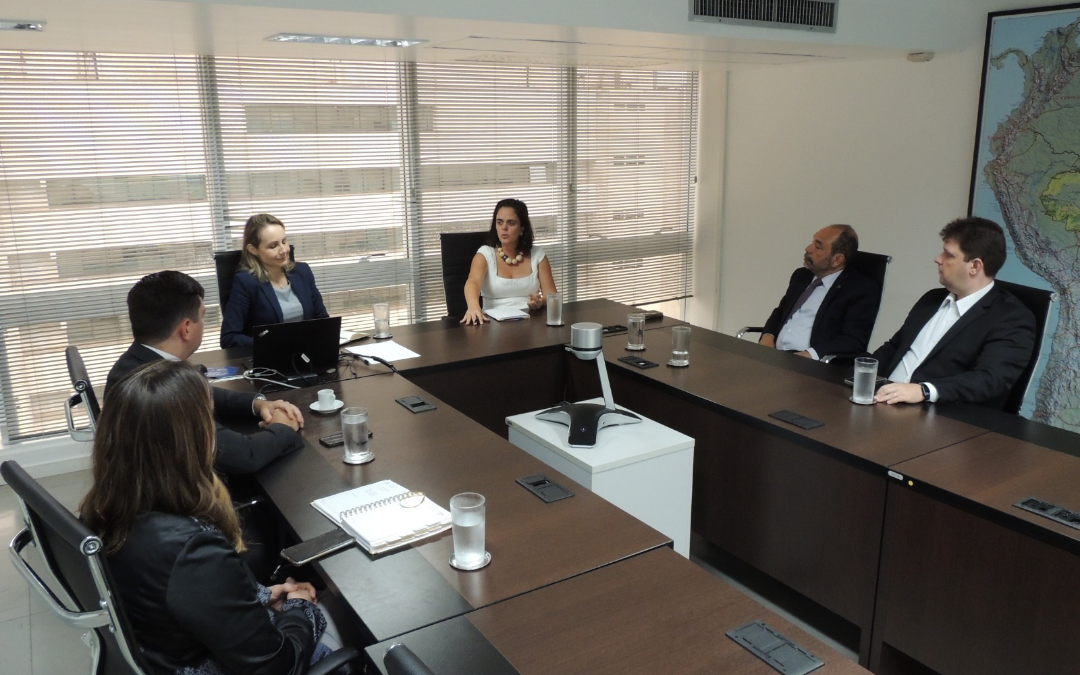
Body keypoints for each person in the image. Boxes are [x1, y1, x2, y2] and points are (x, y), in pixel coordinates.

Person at [81, 360, 332, 675]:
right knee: (351, 623)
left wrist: (261, 597)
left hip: (169, 650)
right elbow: (277, 667)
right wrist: (299, 608)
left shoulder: (105, 509)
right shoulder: (193, 551)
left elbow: (186, 600)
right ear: (194, 440)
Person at [105, 270, 304, 475]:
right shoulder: (161, 388)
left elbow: (203, 391)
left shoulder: (133, 363)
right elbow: (245, 455)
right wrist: (283, 428)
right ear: (187, 328)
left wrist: (257, 403)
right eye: (202, 316)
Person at [873, 217, 1036, 408]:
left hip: (935, 414)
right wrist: (857, 373)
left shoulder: (1012, 318)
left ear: (975, 266)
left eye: (948, 255)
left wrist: (924, 390)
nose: (938, 259)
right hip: (882, 399)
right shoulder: (931, 299)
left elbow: (990, 379)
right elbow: (894, 347)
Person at [759, 224, 880, 359]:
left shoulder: (860, 290)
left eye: (818, 247)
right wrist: (767, 336)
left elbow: (854, 340)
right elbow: (781, 311)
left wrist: (810, 354)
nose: (808, 249)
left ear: (837, 259)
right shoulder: (801, 276)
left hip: (809, 363)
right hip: (775, 356)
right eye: (812, 242)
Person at [221, 213, 329, 348]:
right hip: (269, 360)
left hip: (307, 354)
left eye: (284, 241)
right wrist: (271, 344)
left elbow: (323, 321)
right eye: (273, 246)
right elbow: (229, 338)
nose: (284, 250)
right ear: (253, 249)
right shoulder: (246, 282)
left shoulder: (302, 272)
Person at [461, 198, 558, 325]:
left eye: (511, 223)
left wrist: (540, 301)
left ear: (522, 228)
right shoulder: (485, 254)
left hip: (530, 322)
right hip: (492, 324)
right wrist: (473, 306)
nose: (504, 228)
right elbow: (472, 283)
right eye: (499, 222)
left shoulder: (537, 255)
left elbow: (552, 296)